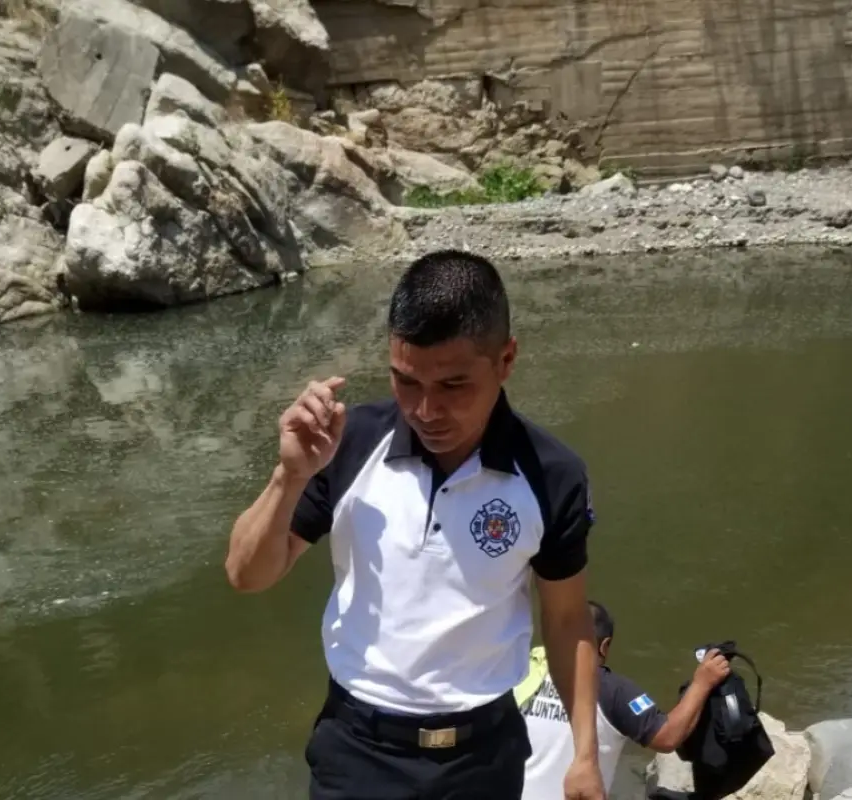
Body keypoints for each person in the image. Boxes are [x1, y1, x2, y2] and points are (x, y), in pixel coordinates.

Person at [225, 250, 605, 800]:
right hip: (357, 751)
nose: (425, 410)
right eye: (406, 382)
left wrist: (585, 754)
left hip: (483, 759)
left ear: (505, 360)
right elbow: (246, 574)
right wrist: (289, 475)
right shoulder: (347, 442)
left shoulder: (552, 475)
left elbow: (568, 621)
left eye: (452, 386)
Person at [517, 601, 733, 798]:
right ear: (604, 646)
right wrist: (702, 682)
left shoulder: (521, 677)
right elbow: (666, 737)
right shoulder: (611, 690)